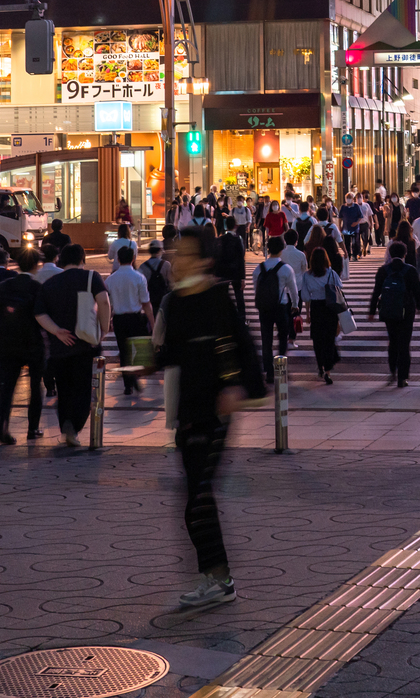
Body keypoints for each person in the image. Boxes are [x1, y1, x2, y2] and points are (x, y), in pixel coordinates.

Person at [152, 226, 262, 610]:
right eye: (175, 253)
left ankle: (220, 579)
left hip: (215, 410)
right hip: (188, 411)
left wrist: (238, 388)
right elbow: (173, 353)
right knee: (194, 499)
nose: (175, 260)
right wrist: (143, 364)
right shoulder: (178, 300)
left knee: (198, 498)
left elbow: (238, 345)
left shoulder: (215, 296)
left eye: (183, 254)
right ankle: (215, 577)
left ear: (203, 260)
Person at [35, 245, 112, 447]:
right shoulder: (91, 277)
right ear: (82, 259)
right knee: (84, 388)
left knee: (64, 388)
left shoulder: (50, 284)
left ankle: (67, 425)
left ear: (61, 260)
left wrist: (57, 331)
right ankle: (75, 426)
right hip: (86, 344)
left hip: (60, 347)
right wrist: (103, 329)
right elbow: (103, 301)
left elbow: (39, 314)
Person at [0, 249, 47, 443]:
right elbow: (41, 317)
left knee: (7, 387)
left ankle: (1, 426)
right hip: (31, 342)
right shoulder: (36, 287)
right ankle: (33, 428)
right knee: (35, 385)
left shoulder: (4, 286)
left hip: (7, 343)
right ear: (35, 265)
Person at [368, 241, 420, 387]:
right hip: (406, 310)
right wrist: (419, 305)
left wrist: (372, 311)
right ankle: (403, 377)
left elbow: (376, 292)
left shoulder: (383, 270)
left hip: (389, 310)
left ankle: (393, 370)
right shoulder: (410, 270)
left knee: (393, 340)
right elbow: (418, 290)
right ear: (405, 254)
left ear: (390, 254)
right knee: (404, 343)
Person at [104, 245, 154, 395]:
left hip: (119, 319)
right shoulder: (139, 277)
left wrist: (108, 321)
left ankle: (128, 385)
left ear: (118, 259)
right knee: (139, 348)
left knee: (123, 351)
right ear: (133, 259)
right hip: (136, 317)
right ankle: (136, 375)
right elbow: (146, 302)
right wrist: (153, 321)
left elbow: (108, 303)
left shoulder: (110, 280)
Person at [298, 246, 345, 383]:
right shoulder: (331, 273)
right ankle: (328, 371)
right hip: (329, 308)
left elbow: (305, 296)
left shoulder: (307, 276)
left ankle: (320, 366)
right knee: (329, 340)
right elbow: (340, 287)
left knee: (317, 339)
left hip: (316, 308)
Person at [252, 247, 299, 381]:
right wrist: (295, 304)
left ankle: (269, 371)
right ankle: (280, 369)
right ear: (280, 250)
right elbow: (293, 289)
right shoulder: (285, 268)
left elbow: (256, 287)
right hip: (281, 306)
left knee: (266, 339)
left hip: (265, 308)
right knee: (282, 337)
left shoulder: (259, 268)